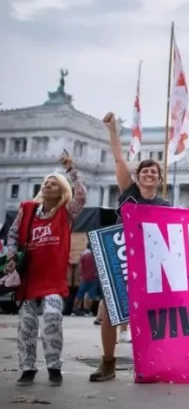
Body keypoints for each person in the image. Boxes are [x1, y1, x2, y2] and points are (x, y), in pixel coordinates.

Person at [90, 112, 172, 383]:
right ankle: (108, 363)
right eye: (145, 171)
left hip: (149, 267)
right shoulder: (129, 195)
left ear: (159, 179)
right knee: (110, 314)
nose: (149, 174)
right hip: (120, 260)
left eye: (154, 172)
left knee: (149, 319)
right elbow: (118, 159)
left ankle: (147, 365)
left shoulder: (165, 207)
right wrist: (113, 131)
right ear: (137, 177)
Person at [5, 152, 87, 387]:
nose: (48, 185)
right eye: (45, 183)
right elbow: (12, 234)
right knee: (27, 324)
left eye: (53, 183)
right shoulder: (28, 210)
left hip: (52, 277)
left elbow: (81, 195)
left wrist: (71, 170)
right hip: (29, 276)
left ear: (61, 190)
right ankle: (27, 368)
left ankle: (53, 365)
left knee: (52, 317)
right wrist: (11, 256)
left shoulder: (66, 212)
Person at [73, 245, 98, 316]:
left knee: (79, 294)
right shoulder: (95, 256)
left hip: (84, 278)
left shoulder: (83, 255)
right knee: (91, 295)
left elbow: (80, 266)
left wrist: (80, 275)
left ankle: (74, 310)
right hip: (93, 278)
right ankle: (87, 311)